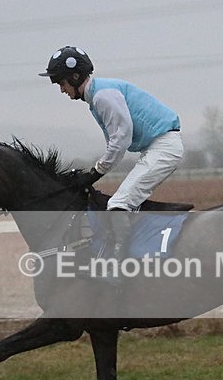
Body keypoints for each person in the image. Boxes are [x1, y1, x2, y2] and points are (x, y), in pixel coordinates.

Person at [39, 46, 183, 278]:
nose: (62, 90)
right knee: (126, 204)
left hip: (164, 147)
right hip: (157, 147)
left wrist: (96, 172)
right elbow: (118, 142)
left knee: (118, 205)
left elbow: (121, 139)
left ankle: (120, 268)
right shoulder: (99, 94)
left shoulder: (102, 96)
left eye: (61, 83)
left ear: (75, 77)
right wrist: (94, 171)